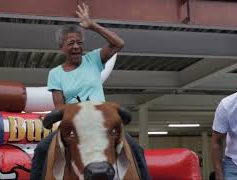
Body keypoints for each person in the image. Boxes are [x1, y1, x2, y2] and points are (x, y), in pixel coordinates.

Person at [30, 3, 150, 180]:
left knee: (136, 147)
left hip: (103, 121)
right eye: (71, 43)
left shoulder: (93, 59)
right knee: (41, 149)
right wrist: (77, 114)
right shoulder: (55, 74)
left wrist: (92, 25)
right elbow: (59, 107)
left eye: (79, 42)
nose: (77, 46)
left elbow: (118, 43)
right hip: (75, 125)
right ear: (62, 47)